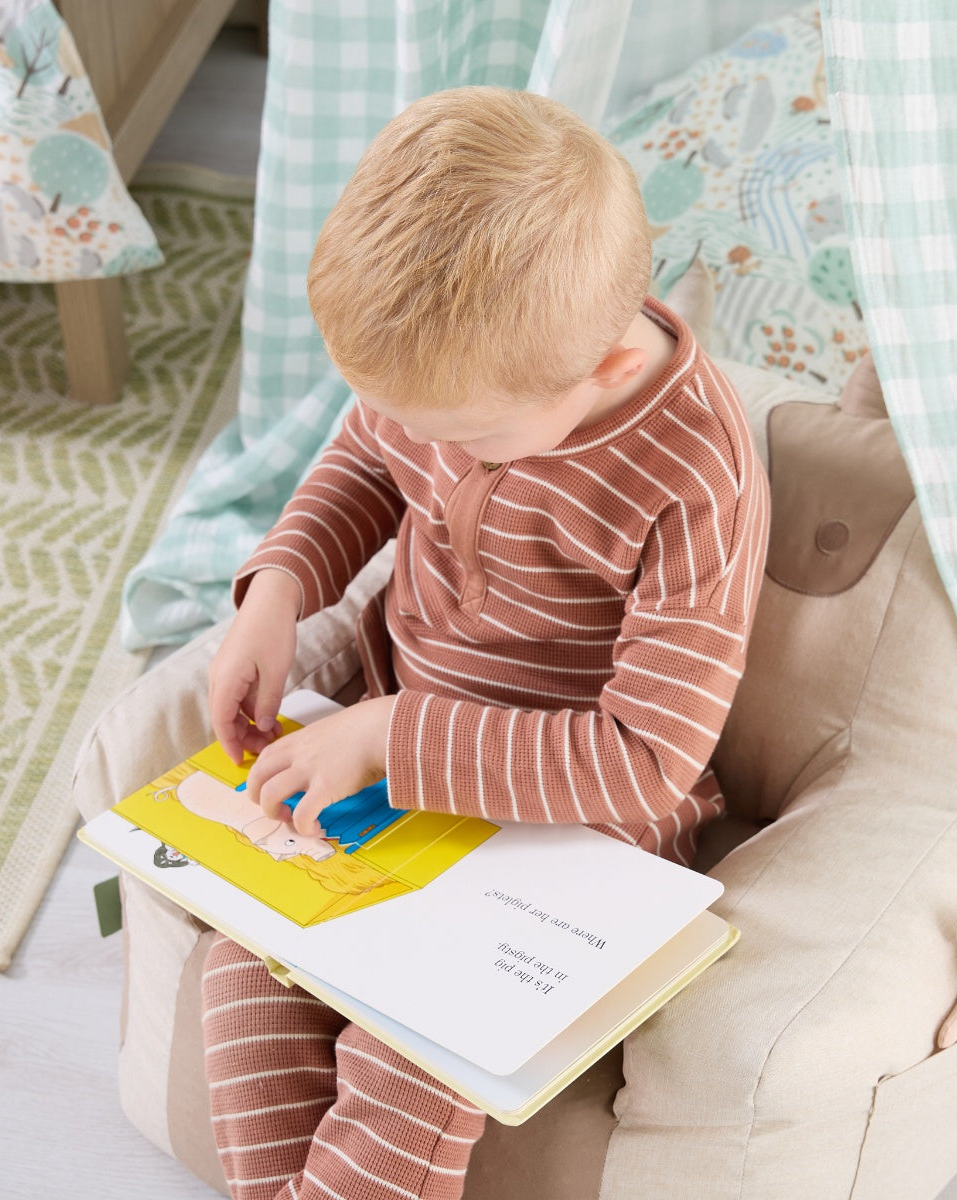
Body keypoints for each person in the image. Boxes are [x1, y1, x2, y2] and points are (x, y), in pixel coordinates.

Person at [200, 85, 771, 1200]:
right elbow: (367, 463)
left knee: (411, 1048)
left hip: (573, 833)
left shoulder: (696, 475)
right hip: (390, 779)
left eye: (456, 435)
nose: (422, 446)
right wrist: (278, 587)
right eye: (397, 410)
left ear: (605, 369)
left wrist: (392, 735)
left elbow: (646, 760)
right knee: (246, 966)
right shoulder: (458, 369)